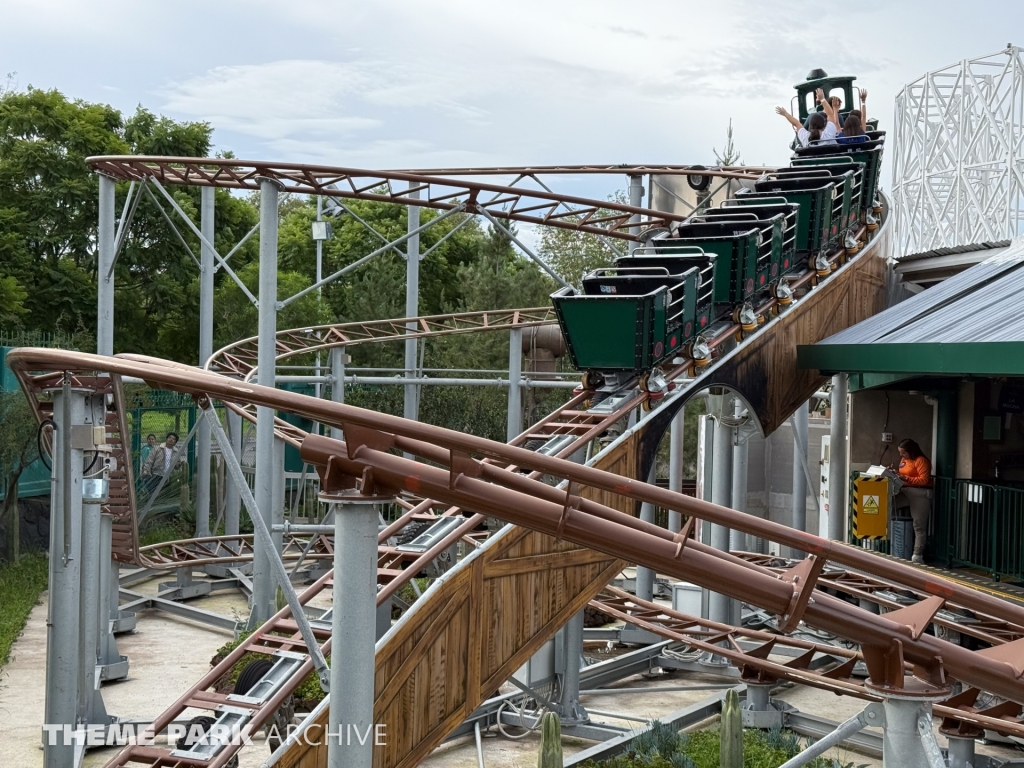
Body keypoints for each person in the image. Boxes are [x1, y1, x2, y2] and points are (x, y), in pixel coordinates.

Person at [893, 438, 932, 563]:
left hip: (920, 493)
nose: (901, 455)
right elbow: (904, 473)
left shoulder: (921, 461)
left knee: (919, 525)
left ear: (911, 451)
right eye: (900, 452)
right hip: (905, 490)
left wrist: (906, 478)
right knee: (888, 508)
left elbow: (924, 480)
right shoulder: (904, 460)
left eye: (904, 452)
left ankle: (917, 555)